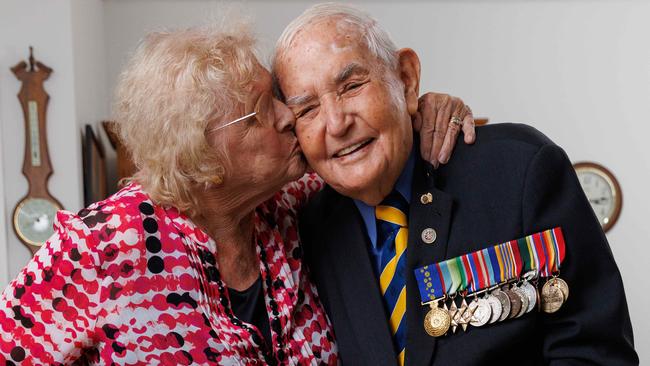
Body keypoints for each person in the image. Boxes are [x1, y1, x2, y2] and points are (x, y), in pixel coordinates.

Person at [0, 21, 475, 364]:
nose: (289, 116)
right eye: (260, 112)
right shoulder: (100, 248)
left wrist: (420, 106)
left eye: (279, 98)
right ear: (200, 154)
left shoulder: (292, 204)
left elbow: (365, 146)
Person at [273, 3, 638, 365]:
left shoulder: (518, 169)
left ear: (406, 78)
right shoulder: (306, 231)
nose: (336, 124)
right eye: (307, 110)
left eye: (351, 86)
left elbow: (596, 354)